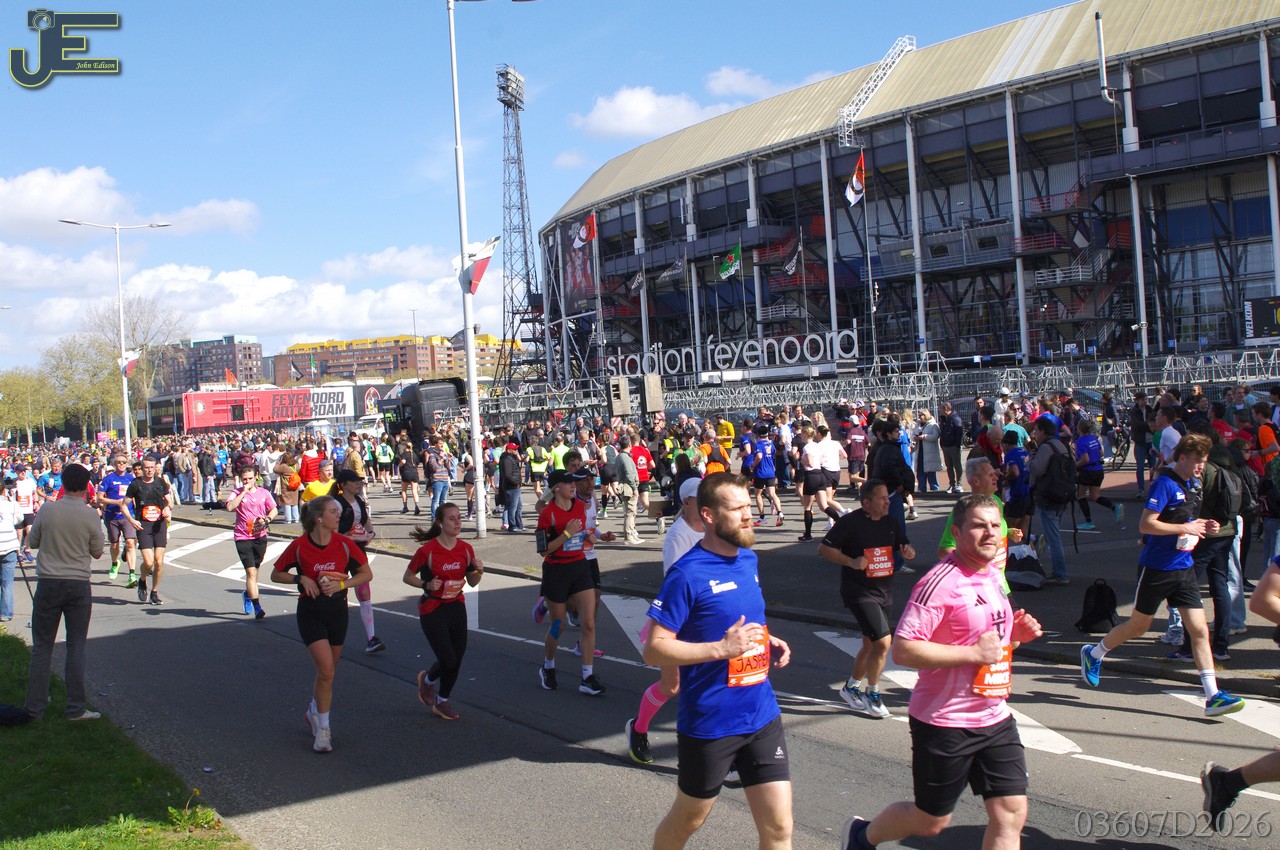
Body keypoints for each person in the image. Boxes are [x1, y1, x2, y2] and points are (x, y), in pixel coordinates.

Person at [841, 495, 1044, 850]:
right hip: (945, 721)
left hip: (994, 717)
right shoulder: (939, 583)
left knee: (1010, 813)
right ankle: (860, 836)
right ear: (958, 533)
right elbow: (904, 649)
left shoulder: (993, 575)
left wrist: (1016, 636)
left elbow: (994, 643)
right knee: (930, 821)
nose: (990, 533)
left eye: (994, 525)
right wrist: (973, 654)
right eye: (979, 526)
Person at [644, 473, 793, 850]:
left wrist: (766, 638)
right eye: (738, 508)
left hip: (761, 715)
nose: (748, 515)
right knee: (688, 820)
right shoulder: (687, 574)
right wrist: (720, 649)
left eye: (748, 506)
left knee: (779, 828)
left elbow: (741, 618)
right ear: (709, 515)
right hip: (711, 724)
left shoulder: (748, 559)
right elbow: (654, 648)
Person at [1079, 433, 1245, 718]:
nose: (1201, 466)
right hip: (1157, 567)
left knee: (1199, 630)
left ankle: (1213, 696)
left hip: (1184, 568)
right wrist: (1186, 528)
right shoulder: (1165, 484)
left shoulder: (1193, 484)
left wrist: (1205, 525)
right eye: (1197, 460)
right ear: (1182, 457)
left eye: (1204, 461)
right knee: (1139, 626)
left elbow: (1186, 521)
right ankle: (1093, 654)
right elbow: (1147, 524)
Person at [270, 495, 373, 753]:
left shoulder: (344, 544)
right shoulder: (300, 546)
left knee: (328, 672)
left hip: (337, 611)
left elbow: (366, 574)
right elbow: (276, 573)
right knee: (326, 671)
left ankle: (314, 711)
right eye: (333, 512)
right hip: (311, 612)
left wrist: (342, 584)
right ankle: (324, 729)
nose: (338, 515)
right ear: (319, 519)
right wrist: (301, 579)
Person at [819, 479, 916, 719]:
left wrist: (908, 551)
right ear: (866, 503)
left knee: (871, 644)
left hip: (884, 590)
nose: (887, 502)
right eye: (882, 498)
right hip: (859, 591)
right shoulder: (850, 523)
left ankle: (851, 686)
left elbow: (903, 544)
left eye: (887, 497)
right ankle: (873, 692)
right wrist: (851, 562)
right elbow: (825, 549)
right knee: (883, 642)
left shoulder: (890, 523)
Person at [625, 477, 703, 764]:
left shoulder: (715, 526)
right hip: (680, 618)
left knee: (710, 685)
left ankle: (717, 754)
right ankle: (638, 728)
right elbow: (674, 580)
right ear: (687, 501)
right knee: (672, 686)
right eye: (701, 496)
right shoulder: (678, 535)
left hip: (708, 617)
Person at [24, 463, 104, 721]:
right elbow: (98, 552)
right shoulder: (90, 515)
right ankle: (75, 708)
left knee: (42, 647)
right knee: (76, 646)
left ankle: (35, 708)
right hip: (78, 583)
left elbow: (33, 541)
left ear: (64, 484)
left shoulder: (48, 509)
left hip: (48, 581)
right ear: (86, 487)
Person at [404, 502, 484, 721]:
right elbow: (407, 577)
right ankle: (428, 681)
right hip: (433, 608)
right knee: (448, 659)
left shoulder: (465, 549)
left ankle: (442, 701)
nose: (457, 522)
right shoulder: (427, 551)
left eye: (459, 518)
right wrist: (426, 585)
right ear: (440, 523)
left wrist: (479, 571)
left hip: (456, 605)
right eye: (451, 518)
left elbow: (472, 581)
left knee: (457, 658)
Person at [535, 468, 605, 696]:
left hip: (579, 566)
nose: (573, 486)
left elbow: (581, 532)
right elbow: (543, 551)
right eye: (568, 483)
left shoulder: (579, 507)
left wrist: (588, 536)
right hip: (556, 570)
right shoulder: (548, 514)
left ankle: (587, 677)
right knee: (559, 624)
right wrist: (566, 534)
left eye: (573, 482)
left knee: (589, 623)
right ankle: (548, 666)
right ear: (556, 489)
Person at [225, 465, 277, 620]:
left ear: (256, 477)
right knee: (251, 572)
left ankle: (248, 593)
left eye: (250, 478)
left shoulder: (264, 493)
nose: (247, 481)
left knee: (255, 570)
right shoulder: (236, 493)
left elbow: (273, 509)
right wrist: (243, 492)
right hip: (242, 536)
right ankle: (257, 606)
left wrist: (267, 519)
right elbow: (229, 507)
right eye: (244, 479)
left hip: (259, 536)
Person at [126, 457, 173, 606]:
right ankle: (142, 580)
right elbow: (123, 505)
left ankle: (154, 592)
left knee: (158, 561)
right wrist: (132, 520)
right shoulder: (135, 484)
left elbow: (169, 501)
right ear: (142, 469)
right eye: (146, 467)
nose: (149, 470)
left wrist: (167, 508)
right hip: (144, 525)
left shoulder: (160, 482)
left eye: (152, 467)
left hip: (159, 524)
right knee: (148, 562)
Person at [1029, 417, 1070, 586]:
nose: (1035, 434)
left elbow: (1037, 469)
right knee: (1053, 533)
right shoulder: (1060, 445)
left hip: (1049, 496)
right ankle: (1040, 543)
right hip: (1062, 494)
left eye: (1036, 430)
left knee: (1054, 538)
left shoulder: (1046, 447)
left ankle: (1060, 574)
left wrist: (1030, 460)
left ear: (1043, 431)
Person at [1073, 419, 1124, 530]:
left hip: (1087, 471)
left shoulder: (1080, 442)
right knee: (1095, 496)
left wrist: (1075, 465)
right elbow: (1101, 453)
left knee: (1081, 496)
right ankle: (1114, 507)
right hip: (1098, 470)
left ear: (1079, 428)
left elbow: (1085, 459)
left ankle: (1089, 521)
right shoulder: (1094, 438)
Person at [97, 454, 138, 586]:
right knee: (114, 544)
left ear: (127, 464)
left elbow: (136, 496)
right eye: (119, 462)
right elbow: (100, 498)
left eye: (124, 462)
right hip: (112, 516)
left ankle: (132, 574)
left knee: (130, 543)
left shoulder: (131, 478)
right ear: (115, 464)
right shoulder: (109, 479)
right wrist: (116, 502)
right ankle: (115, 563)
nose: (121, 464)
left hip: (128, 516)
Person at [0, 479, 19, 623]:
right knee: (7, 583)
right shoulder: (11, 504)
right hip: (10, 545)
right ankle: (5, 613)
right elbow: (18, 519)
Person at [498, 441, 524, 532]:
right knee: (512, 507)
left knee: (518, 506)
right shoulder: (507, 460)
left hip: (515, 486)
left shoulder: (511, 458)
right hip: (512, 487)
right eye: (514, 449)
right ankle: (512, 525)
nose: (516, 451)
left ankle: (519, 525)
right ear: (509, 450)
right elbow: (507, 474)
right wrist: (515, 481)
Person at [396, 441, 422, 516]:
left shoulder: (404, 454)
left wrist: (399, 465)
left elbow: (403, 461)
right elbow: (417, 464)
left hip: (406, 473)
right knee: (414, 491)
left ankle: (405, 506)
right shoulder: (414, 454)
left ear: (405, 447)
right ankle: (416, 505)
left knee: (404, 490)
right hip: (414, 473)